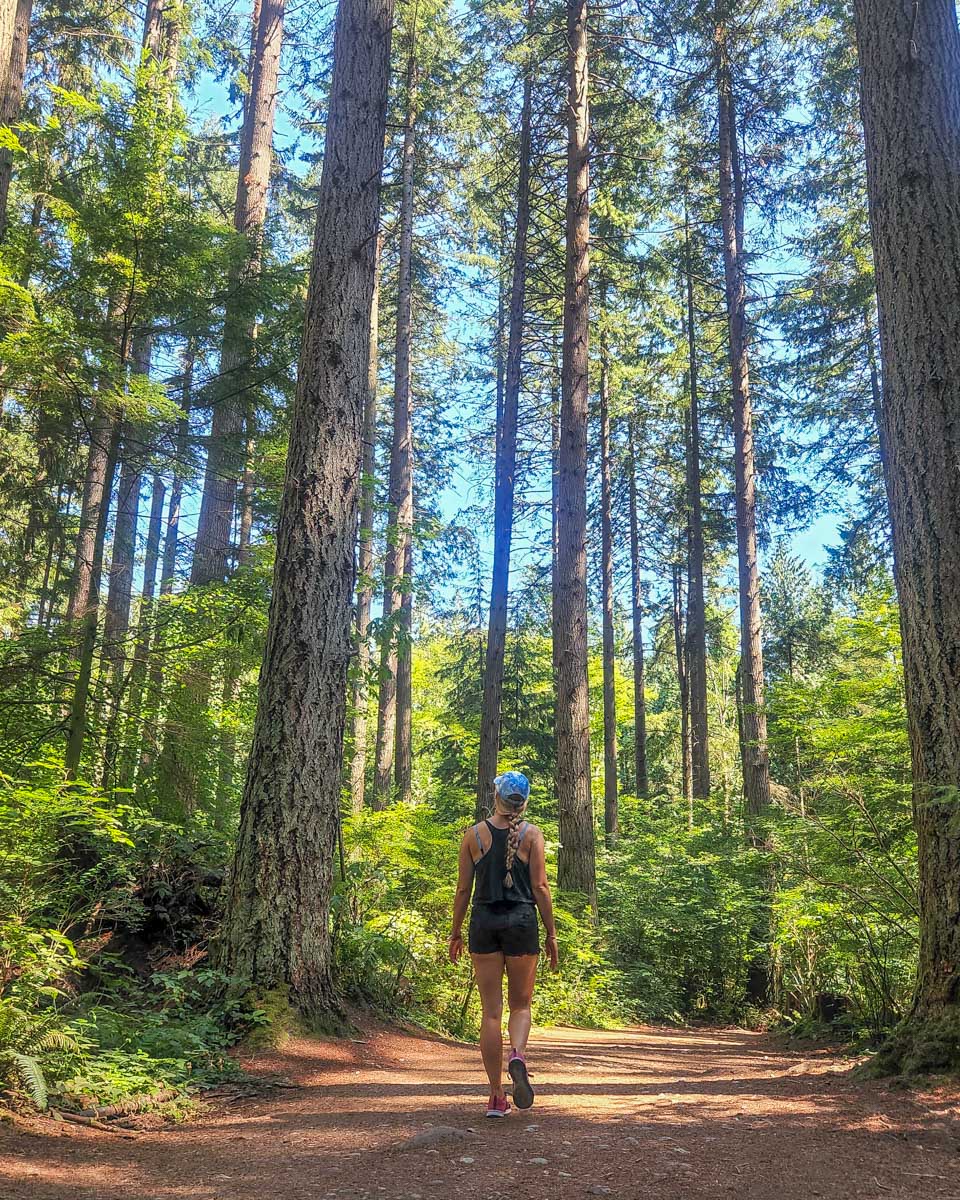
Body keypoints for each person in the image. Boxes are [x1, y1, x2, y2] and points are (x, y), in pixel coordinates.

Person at [448, 770, 559, 1118]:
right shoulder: (533, 835)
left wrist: (455, 932)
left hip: (484, 923)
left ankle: (496, 1096)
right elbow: (540, 887)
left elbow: (463, 889)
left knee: (491, 1012)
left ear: (495, 797)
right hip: (522, 923)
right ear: (523, 802)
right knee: (521, 1006)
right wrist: (552, 932)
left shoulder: (473, 836)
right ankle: (518, 1055)